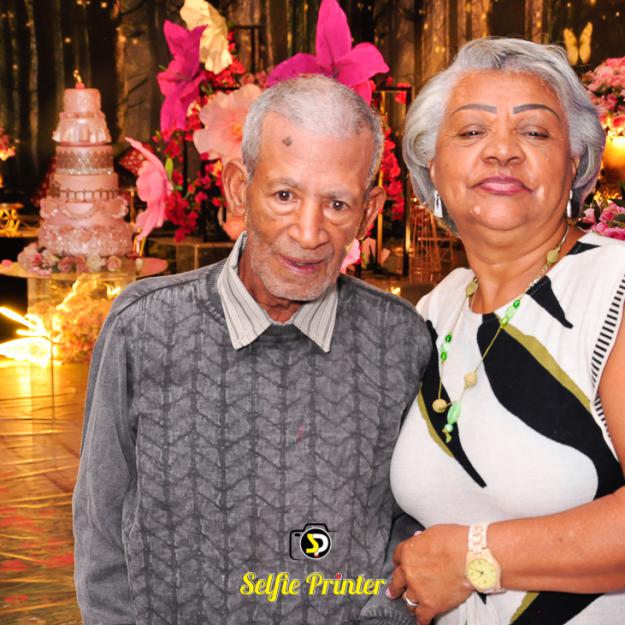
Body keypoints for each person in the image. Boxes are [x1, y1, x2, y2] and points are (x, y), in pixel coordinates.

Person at [72, 75, 431, 625]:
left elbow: (413, 520)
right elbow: (102, 528)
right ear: (239, 188)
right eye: (285, 196)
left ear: (368, 211)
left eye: (338, 204)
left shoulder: (400, 340)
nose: (308, 233)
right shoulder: (145, 327)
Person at [382, 37, 625, 625]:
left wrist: (471, 557)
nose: (502, 151)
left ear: (575, 165)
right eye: (471, 131)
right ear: (432, 169)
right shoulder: (436, 310)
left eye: (534, 132)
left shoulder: (612, 290)